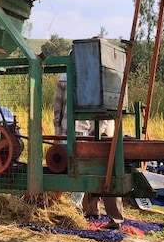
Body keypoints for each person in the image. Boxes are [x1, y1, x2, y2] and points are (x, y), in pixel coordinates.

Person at [53, 69, 124, 231]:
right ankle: (84, 209)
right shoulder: (94, 77)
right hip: (84, 134)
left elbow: (57, 109)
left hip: (75, 133)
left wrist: (58, 132)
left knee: (81, 172)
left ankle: (81, 208)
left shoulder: (66, 78)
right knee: (87, 171)